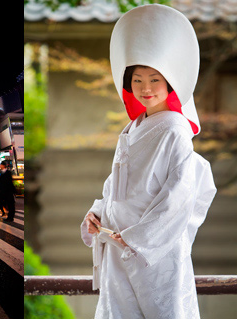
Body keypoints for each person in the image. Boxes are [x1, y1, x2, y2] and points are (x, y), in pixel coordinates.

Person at [80, 5, 216, 319]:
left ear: (170, 83)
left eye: (155, 79)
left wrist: (138, 238)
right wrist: (97, 212)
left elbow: (178, 196)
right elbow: (115, 186)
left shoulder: (175, 131)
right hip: (118, 242)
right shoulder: (132, 128)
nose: (146, 88)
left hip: (154, 251)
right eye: (138, 80)